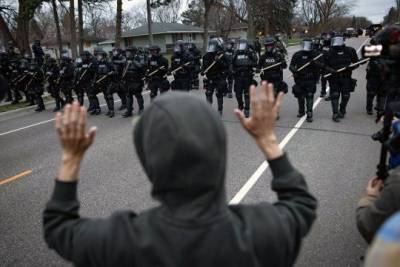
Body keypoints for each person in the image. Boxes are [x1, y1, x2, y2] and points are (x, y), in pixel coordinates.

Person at [43, 81, 317, 266]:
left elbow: (58, 227)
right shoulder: (264, 232)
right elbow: (301, 204)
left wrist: (71, 158)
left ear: (149, 162)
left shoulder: (119, 243)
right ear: (219, 151)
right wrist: (267, 140)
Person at [324, 35, 359, 122]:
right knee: (335, 95)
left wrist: (350, 67)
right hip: (334, 78)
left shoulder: (350, 51)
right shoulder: (329, 52)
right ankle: (335, 113)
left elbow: (357, 63)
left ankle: (342, 109)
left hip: (346, 77)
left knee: (346, 95)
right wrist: (330, 69)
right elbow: (324, 65)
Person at [289, 38, 323, 123]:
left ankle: (309, 113)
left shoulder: (315, 54)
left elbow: (321, 66)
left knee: (309, 96)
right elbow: (291, 66)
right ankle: (301, 111)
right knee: (300, 96)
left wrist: (315, 63)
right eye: (305, 44)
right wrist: (294, 70)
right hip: (300, 79)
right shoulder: (297, 54)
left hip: (310, 79)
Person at [202, 38, 229, 115]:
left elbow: (227, 66)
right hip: (210, 77)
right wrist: (202, 71)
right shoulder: (206, 56)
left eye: (213, 46)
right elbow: (203, 66)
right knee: (208, 93)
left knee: (219, 94)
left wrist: (219, 61)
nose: (212, 48)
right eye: (210, 46)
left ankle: (220, 110)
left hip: (219, 77)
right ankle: (209, 110)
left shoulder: (222, 55)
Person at [232, 39, 258, 118]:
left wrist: (250, 56)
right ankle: (240, 105)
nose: (241, 47)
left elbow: (255, 62)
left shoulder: (250, 53)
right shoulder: (236, 53)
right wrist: (233, 71)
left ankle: (247, 108)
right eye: (240, 45)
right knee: (238, 93)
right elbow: (231, 64)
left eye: (243, 45)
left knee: (247, 93)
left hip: (247, 76)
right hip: (238, 76)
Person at [122, 46, 146, 117]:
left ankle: (141, 109)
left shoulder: (139, 58)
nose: (127, 54)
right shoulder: (126, 60)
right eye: (127, 52)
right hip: (128, 81)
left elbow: (141, 66)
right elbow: (124, 70)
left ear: (133, 52)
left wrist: (133, 61)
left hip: (137, 81)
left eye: (129, 52)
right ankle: (129, 111)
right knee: (128, 96)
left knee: (138, 95)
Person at [93, 48, 115, 117]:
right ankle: (109, 110)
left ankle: (112, 111)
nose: (97, 57)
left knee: (109, 96)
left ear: (103, 56)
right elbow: (96, 73)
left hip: (109, 82)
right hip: (102, 83)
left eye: (99, 55)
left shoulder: (108, 62)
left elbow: (115, 71)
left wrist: (110, 73)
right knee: (105, 96)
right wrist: (95, 80)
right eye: (97, 56)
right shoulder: (98, 63)